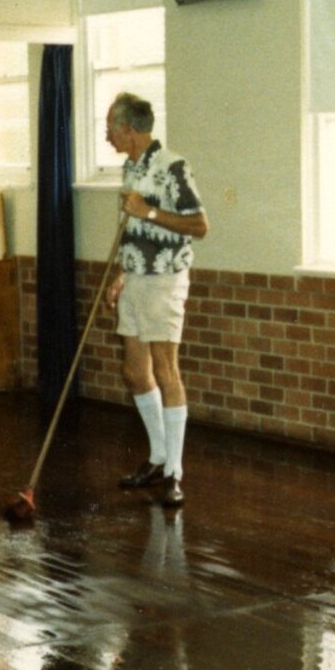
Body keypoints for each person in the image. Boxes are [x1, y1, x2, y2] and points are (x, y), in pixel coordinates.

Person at [104, 92, 208, 508]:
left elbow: (200, 225)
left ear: (129, 128)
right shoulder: (130, 168)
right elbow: (133, 232)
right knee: (134, 371)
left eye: (111, 125)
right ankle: (159, 457)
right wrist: (121, 272)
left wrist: (147, 211)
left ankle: (175, 474)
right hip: (136, 278)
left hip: (165, 280)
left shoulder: (172, 167)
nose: (107, 133)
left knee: (166, 370)